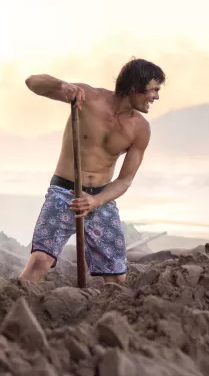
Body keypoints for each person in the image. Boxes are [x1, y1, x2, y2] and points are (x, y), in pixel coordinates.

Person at [18, 57, 165, 284]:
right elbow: (32, 82)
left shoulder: (141, 128)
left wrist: (96, 201)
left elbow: (125, 179)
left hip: (100, 199)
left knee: (117, 278)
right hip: (63, 192)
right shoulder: (88, 97)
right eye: (153, 90)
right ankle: (18, 310)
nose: (156, 97)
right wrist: (63, 86)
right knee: (39, 261)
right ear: (136, 87)